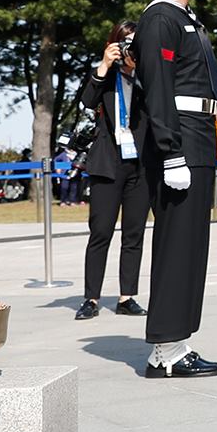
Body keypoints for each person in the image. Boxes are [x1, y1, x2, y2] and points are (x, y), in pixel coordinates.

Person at [133, 0, 217, 381]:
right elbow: (157, 88)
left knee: (190, 247)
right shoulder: (160, 19)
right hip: (181, 141)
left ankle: (177, 343)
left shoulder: (185, 19)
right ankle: (166, 352)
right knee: (177, 246)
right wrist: (170, 153)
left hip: (198, 137)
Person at [75, 20, 149, 321]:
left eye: (135, 42)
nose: (130, 48)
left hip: (141, 163)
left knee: (134, 233)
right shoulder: (104, 76)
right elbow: (87, 101)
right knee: (100, 232)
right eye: (125, 42)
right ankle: (91, 298)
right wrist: (104, 65)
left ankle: (126, 296)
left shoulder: (148, 76)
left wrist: (141, 68)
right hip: (108, 162)